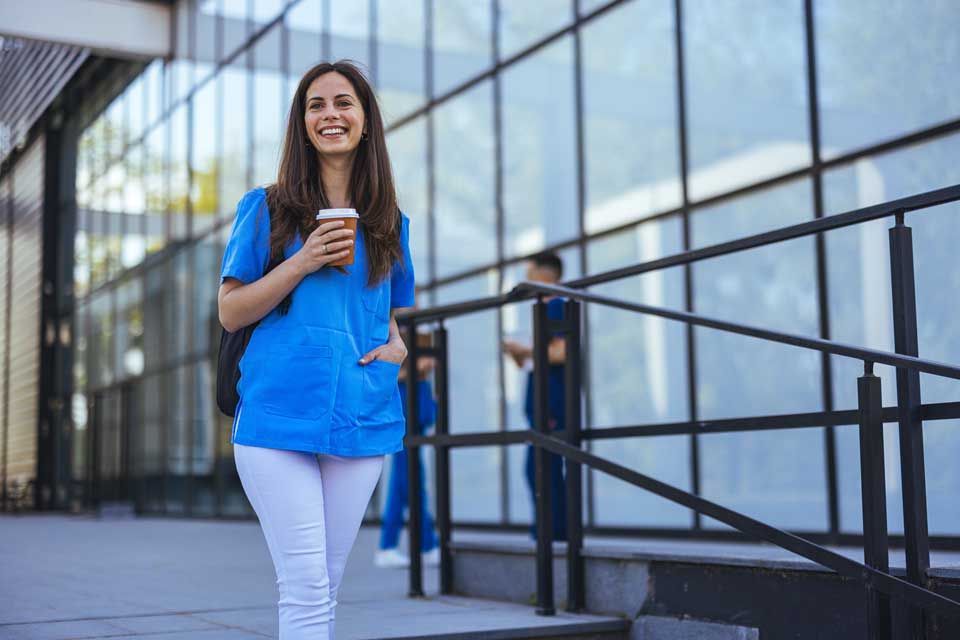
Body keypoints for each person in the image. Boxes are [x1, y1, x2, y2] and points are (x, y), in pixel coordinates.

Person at [217, 60, 414, 639]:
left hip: (359, 413)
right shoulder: (267, 206)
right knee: (305, 587)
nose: (330, 114)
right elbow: (231, 310)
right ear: (302, 124)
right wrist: (303, 259)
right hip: (278, 416)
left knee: (325, 584)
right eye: (316, 105)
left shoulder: (390, 223)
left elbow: (384, 312)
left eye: (343, 102)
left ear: (365, 121)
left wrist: (397, 347)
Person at [502, 251, 568, 542]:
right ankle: (549, 532)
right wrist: (519, 354)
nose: (526, 277)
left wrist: (524, 350)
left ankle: (552, 533)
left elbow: (559, 352)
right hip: (539, 398)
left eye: (530, 271)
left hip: (552, 400)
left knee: (542, 468)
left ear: (545, 273)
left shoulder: (558, 306)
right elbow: (537, 359)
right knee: (540, 468)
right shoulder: (543, 310)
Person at [374, 329, 440, 569]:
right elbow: (386, 370)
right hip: (405, 403)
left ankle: (423, 544)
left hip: (417, 403)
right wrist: (411, 369)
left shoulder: (420, 332)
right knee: (407, 479)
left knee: (409, 480)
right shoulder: (389, 329)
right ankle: (394, 545)